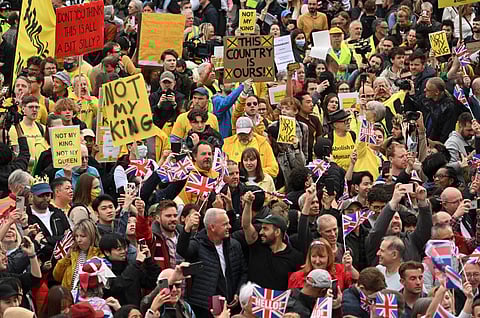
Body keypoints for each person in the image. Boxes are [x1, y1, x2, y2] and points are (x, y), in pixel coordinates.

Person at [176, 208, 247, 317]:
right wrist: (187, 229)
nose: (230, 227)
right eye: (225, 224)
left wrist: (238, 293)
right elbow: (182, 250)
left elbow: (243, 272)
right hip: (204, 308)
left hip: (230, 307)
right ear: (212, 227)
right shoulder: (198, 244)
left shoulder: (234, 245)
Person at [242, 191, 303, 290]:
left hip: (279, 303)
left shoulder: (295, 258)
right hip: (254, 303)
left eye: (265, 229)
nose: (261, 232)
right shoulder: (257, 246)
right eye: (262, 228)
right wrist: (248, 204)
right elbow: (246, 225)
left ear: (277, 232)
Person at [366, 183, 432, 265]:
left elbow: (426, 229)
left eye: (397, 218)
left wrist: (423, 202)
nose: (395, 221)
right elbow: (378, 230)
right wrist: (393, 202)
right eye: (391, 219)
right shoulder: (375, 241)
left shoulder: (411, 240)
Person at [99, 233, 159, 306]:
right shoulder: (102, 269)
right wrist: (137, 263)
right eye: (119, 249)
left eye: (125, 247)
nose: (124, 251)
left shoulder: (131, 266)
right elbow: (118, 284)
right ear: (107, 252)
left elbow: (151, 282)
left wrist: (149, 260)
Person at [26, 176, 71, 261]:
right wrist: (58, 238)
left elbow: (69, 236)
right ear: (31, 196)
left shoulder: (58, 213)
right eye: (41, 195)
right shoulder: (26, 217)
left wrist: (47, 239)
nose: (45, 198)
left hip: (62, 261)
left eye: (48, 195)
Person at [53, 219, 103, 291]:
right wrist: (66, 258)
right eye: (76, 236)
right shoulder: (72, 253)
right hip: (69, 297)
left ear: (92, 236)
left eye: (82, 236)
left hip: (89, 298)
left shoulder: (99, 255)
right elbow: (57, 276)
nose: (78, 240)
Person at [288, 238, 356, 291]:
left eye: (321, 256)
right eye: (314, 256)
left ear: (329, 257)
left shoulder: (340, 270)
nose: (317, 261)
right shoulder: (296, 277)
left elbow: (356, 286)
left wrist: (350, 268)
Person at [136, 200, 181, 270]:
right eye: (168, 216)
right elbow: (143, 234)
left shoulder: (184, 236)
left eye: (175, 215)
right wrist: (141, 214)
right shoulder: (153, 237)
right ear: (157, 218)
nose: (173, 219)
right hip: (162, 279)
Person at [8, 95, 48, 172]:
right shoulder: (15, 129)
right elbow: (16, 153)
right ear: (23, 109)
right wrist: (34, 161)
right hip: (24, 170)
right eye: (31, 107)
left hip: (40, 171)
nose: (34, 110)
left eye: (37, 107)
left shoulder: (43, 128)